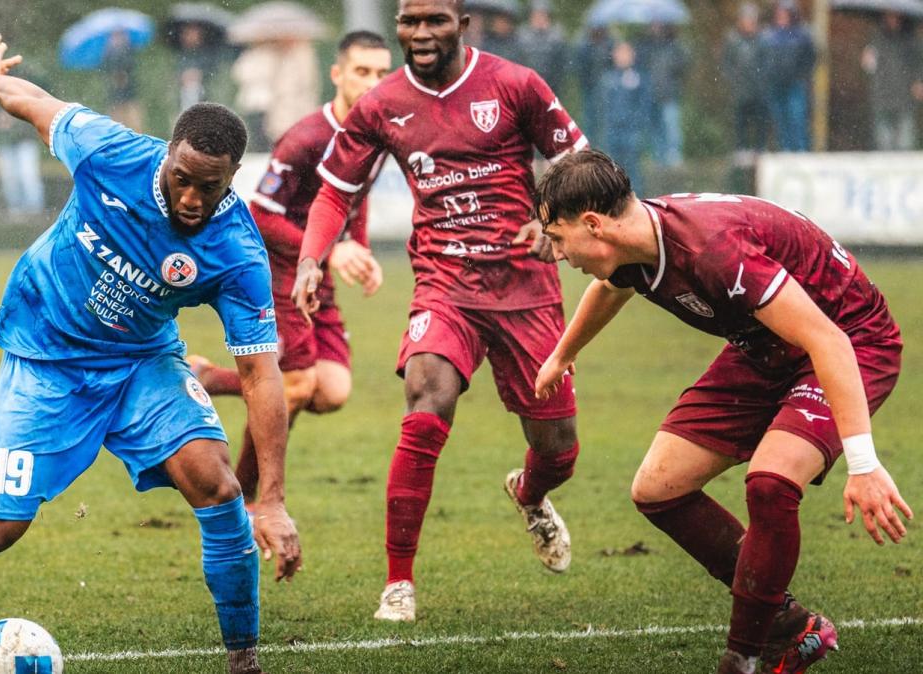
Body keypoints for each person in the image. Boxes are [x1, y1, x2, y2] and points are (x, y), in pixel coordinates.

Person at [0, 34, 303, 674]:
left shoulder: (237, 252)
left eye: (209, 188)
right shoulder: (107, 149)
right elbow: (33, 99)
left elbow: (261, 376)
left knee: (218, 483)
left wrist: (276, 499)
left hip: (141, 364)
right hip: (45, 353)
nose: (190, 199)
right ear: (167, 157)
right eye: (182, 180)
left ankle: (244, 660)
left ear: (233, 176)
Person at [533, 150, 912, 674]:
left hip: (849, 340)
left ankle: (744, 657)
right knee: (658, 488)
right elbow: (610, 288)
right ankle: (789, 625)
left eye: (557, 238)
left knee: (771, 483)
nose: (555, 255)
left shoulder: (713, 252)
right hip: (764, 343)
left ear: (594, 225)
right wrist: (563, 354)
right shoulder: (634, 240)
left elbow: (828, 339)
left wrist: (864, 464)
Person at [293, 0, 588, 623]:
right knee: (427, 402)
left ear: (462, 25)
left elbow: (579, 168)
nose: (420, 33)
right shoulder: (381, 104)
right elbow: (334, 193)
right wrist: (312, 258)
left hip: (526, 292)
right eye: (410, 21)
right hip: (444, 285)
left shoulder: (515, 85)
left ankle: (530, 493)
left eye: (435, 20)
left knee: (559, 449)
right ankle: (398, 583)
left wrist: (548, 224)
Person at [192, 31, 393, 504]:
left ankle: (212, 379)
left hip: (315, 276)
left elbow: (353, 200)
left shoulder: (375, 138)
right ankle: (243, 497)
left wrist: (357, 249)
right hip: (278, 272)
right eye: (362, 72)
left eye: (383, 73)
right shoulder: (306, 138)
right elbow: (259, 216)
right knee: (297, 383)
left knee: (331, 390)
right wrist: (327, 249)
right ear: (338, 74)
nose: (373, 83)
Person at [861, 11, 923, 151]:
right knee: (884, 141)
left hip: (905, 94)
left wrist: (919, 82)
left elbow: (919, 63)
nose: (892, 19)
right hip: (882, 93)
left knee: (905, 142)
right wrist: (866, 60)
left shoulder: (912, 40)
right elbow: (869, 67)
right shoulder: (875, 38)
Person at [760, 0, 815, 152]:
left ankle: (801, 152)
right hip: (775, 84)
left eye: (785, 13)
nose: (781, 16)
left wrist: (801, 74)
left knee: (797, 120)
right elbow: (762, 59)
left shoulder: (802, 35)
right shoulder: (768, 35)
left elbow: (810, 58)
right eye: (779, 13)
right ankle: (785, 152)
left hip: (795, 84)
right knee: (780, 122)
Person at [598, 41, 649, 196]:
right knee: (613, 168)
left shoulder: (638, 78)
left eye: (626, 53)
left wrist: (637, 124)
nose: (622, 57)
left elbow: (644, 105)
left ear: (632, 56)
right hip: (613, 130)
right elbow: (602, 105)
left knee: (633, 168)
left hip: (631, 130)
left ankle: (636, 199)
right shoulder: (608, 78)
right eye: (619, 53)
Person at [722, 3, 769, 165]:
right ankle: (741, 150)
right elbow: (727, 63)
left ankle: (760, 150)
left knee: (760, 121)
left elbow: (767, 63)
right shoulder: (733, 39)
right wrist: (734, 79)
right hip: (741, 89)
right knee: (741, 121)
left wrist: (761, 79)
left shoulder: (763, 39)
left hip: (759, 89)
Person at [637, 22, 689, 167]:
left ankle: (674, 155)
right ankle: (658, 157)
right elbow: (639, 67)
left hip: (668, 93)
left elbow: (683, 65)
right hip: (649, 95)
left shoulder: (674, 45)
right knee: (655, 128)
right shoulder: (644, 45)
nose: (655, 27)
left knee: (671, 126)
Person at [517, 0, 568, 93]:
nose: (539, 18)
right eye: (536, 15)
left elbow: (562, 64)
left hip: (551, 86)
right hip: (527, 85)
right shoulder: (522, 35)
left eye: (543, 15)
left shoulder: (556, 37)